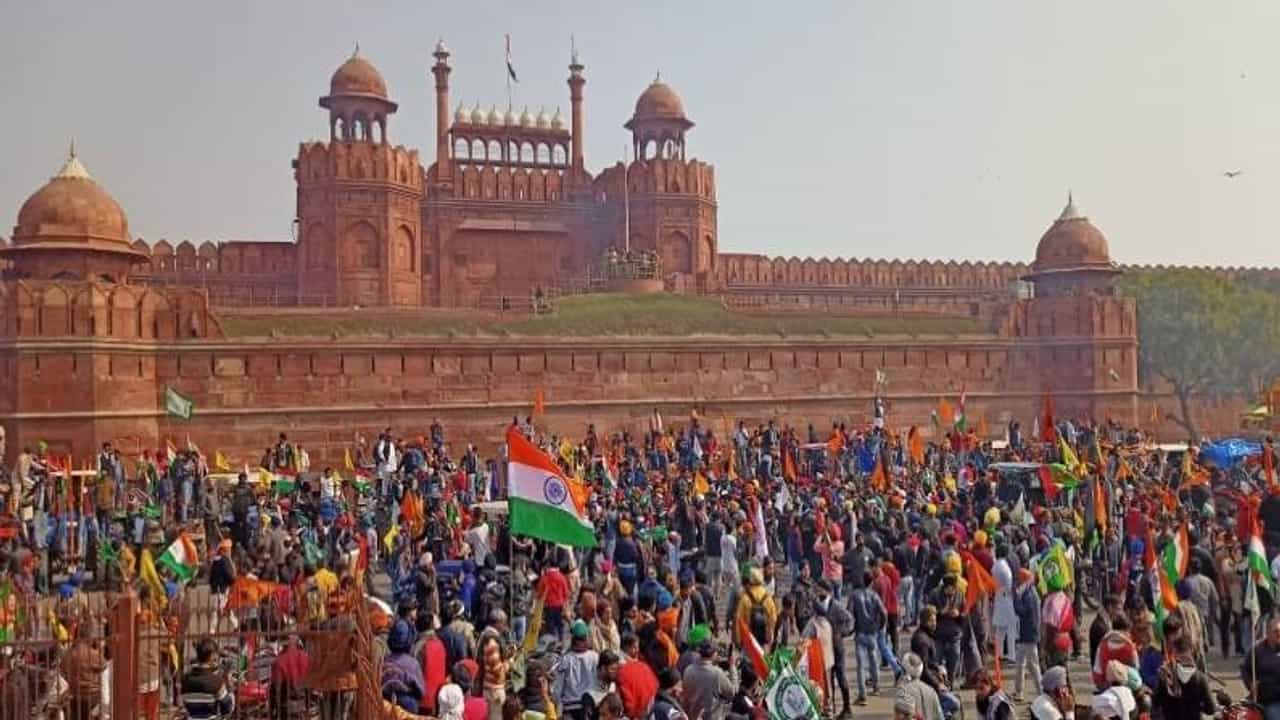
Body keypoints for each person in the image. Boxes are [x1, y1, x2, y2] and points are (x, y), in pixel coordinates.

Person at [1154, 636, 1217, 720]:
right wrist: (1198, 706)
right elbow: (1211, 709)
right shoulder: (1200, 677)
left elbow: (1156, 702)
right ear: (1191, 651)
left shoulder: (1166, 674)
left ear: (1174, 652)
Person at [680, 631, 734, 720]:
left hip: (692, 716)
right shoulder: (717, 673)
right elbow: (731, 693)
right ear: (714, 654)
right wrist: (732, 667)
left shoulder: (688, 670)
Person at [556, 620, 600, 720]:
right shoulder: (595, 657)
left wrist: (557, 708)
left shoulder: (566, 659)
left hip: (571, 708)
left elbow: (558, 689)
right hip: (589, 707)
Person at [181, 639, 236, 720]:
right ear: (212, 655)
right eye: (216, 654)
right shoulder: (216, 682)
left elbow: (186, 705)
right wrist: (230, 688)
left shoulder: (185, 679)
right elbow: (228, 709)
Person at [1242, 616, 1280, 720]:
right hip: (1267, 699)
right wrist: (1250, 684)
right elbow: (1246, 670)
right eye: (1276, 631)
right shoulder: (1257, 650)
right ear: (1268, 633)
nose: (1279, 634)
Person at [1012, 568, 1042, 701]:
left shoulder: (1029, 595)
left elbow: (1021, 611)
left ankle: (1040, 692)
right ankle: (1019, 691)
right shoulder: (1029, 592)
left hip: (1029, 635)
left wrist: (1015, 600)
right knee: (1022, 663)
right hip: (1027, 634)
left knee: (1031, 665)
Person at [897, 652, 945, 720]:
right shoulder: (931, 691)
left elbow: (899, 717)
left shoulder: (903, 691)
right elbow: (940, 717)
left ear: (905, 670)